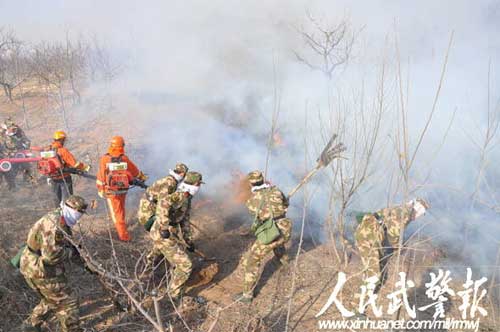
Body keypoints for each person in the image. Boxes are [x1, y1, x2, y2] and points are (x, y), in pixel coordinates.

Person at [19, 195, 89, 332]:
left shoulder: (60, 218)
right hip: (39, 269)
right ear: (72, 209)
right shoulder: (56, 225)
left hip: (32, 264)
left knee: (51, 299)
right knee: (68, 303)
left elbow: (68, 246)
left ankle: (30, 326)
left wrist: (85, 264)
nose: (79, 217)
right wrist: (70, 253)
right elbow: (51, 256)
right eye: (79, 213)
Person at [234, 170, 292, 303]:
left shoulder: (251, 201)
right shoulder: (276, 190)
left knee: (253, 259)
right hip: (286, 227)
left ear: (251, 184)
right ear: (263, 180)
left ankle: (247, 295)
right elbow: (285, 205)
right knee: (278, 241)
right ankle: (284, 260)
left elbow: (256, 215)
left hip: (273, 231)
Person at [149, 171, 203, 300]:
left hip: (167, 233)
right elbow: (163, 203)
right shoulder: (179, 196)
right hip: (162, 234)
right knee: (185, 265)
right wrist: (163, 226)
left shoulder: (187, 198)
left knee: (159, 253)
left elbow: (184, 221)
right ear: (194, 185)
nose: (199, 187)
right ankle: (174, 294)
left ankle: (150, 269)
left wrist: (188, 241)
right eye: (199, 184)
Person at [354, 198, 430, 286]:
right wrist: (399, 247)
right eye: (420, 213)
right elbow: (393, 234)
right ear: (417, 209)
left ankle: (363, 294)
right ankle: (361, 298)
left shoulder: (401, 209)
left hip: (368, 232)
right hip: (369, 234)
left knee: (371, 269)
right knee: (373, 276)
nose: (418, 217)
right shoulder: (405, 213)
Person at [96, 136, 146, 241]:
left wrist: (101, 189)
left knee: (116, 214)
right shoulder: (124, 158)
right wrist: (142, 178)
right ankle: (122, 228)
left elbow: (101, 177)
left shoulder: (105, 159)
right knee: (121, 209)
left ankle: (124, 236)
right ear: (122, 146)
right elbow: (135, 171)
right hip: (123, 189)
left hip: (111, 191)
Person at [43, 130, 90, 207]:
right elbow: (75, 164)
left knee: (56, 199)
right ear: (62, 140)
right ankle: (67, 215)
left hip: (53, 178)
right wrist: (85, 167)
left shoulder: (48, 150)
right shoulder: (62, 150)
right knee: (68, 199)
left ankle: (58, 213)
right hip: (64, 178)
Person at [0, 119, 32, 189]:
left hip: (18, 153)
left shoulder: (18, 132)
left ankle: (29, 180)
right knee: (7, 170)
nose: (13, 131)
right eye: (11, 129)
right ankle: (10, 186)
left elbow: (26, 140)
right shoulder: (1, 135)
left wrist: (26, 145)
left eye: (14, 129)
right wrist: (6, 154)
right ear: (6, 128)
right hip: (5, 156)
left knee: (26, 165)